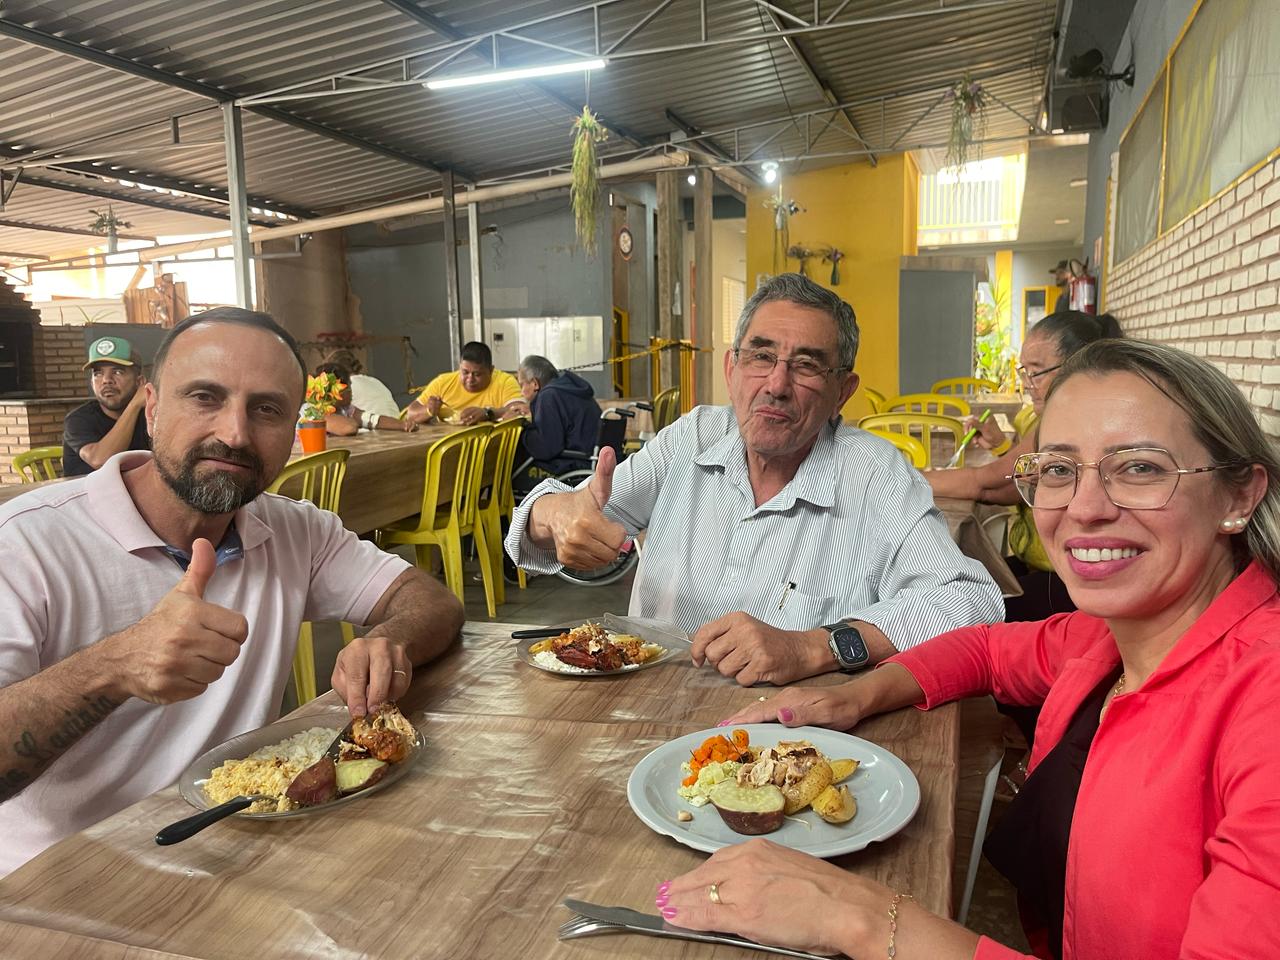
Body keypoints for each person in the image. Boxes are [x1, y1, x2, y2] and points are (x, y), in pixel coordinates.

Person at [668, 339, 1280, 960]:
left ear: (1239, 495)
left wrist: (856, 915)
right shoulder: (1109, 638)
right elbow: (985, 650)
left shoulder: (1263, 706)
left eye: (1141, 467)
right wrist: (852, 696)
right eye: (1059, 470)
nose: (1085, 509)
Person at [0, 307, 464, 876]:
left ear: (295, 428)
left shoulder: (297, 530)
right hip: (62, 884)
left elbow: (433, 603)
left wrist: (391, 640)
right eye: (204, 397)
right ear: (151, 407)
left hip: (242, 851)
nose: (235, 433)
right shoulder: (25, 544)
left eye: (266, 409)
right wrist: (113, 667)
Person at [506, 273, 1002, 686]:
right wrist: (553, 514)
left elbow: (970, 602)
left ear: (842, 392)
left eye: (807, 365)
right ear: (732, 367)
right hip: (653, 710)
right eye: (761, 356)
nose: (777, 385)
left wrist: (814, 646)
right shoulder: (693, 439)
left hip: (796, 739)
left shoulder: (874, 473)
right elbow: (566, 520)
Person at [927, 312, 1123, 622]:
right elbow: (1013, 484)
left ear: (1078, 365)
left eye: (1036, 372)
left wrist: (906, 479)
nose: (1026, 385)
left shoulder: (1067, 419)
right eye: (1023, 372)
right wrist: (1003, 449)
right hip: (1053, 564)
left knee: (962, 608)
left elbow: (988, 482)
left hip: (1073, 578)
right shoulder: (1064, 414)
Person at [62, 335, 151, 476]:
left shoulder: (151, 415)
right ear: (91, 382)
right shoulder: (78, 419)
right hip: (85, 495)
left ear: (139, 382)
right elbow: (100, 461)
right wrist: (134, 405)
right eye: (98, 374)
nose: (106, 380)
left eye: (117, 372)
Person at [514, 354, 600, 480]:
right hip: (592, 456)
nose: (521, 392)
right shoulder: (569, 388)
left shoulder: (549, 396)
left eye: (522, 385)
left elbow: (547, 447)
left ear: (534, 384)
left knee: (517, 452)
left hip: (577, 462)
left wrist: (523, 428)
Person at [404, 341, 522, 426]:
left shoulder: (504, 381)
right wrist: (429, 410)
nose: (470, 379)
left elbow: (520, 411)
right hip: (446, 446)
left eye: (477, 374)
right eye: (465, 372)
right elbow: (411, 413)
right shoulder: (443, 382)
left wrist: (487, 413)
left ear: (491, 370)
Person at [310, 361, 417, 435]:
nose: (352, 393)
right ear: (337, 393)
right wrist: (355, 421)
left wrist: (403, 425)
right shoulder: (313, 413)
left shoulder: (345, 409)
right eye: (348, 388)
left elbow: (373, 420)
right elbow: (348, 428)